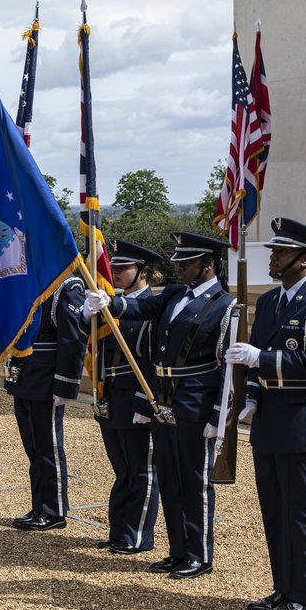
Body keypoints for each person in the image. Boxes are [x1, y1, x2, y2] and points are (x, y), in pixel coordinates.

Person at [85, 231, 236, 579]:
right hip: (164, 398)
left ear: (209, 265)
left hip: (197, 399)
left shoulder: (225, 305)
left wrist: (219, 414)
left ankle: (198, 554)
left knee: (195, 481)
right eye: (178, 260)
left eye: (187, 262)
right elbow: (140, 307)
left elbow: (227, 367)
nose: (179, 266)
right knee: (169, 477)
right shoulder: (173, 294)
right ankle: (177, 550)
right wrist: (110, 303)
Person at [227, 218, 306, 610]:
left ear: (305, 259)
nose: (273, 258)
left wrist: (259, 359)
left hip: (305, 420)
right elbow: (260, 355)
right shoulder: (268, 302)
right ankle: (284, 589)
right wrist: (252, 396)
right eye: (273, 252)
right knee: (274, 510)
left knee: (301, 511)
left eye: (281, 253)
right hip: (271, 420)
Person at [91, 239, 162, 553]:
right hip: (112, 396)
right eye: (114, 267)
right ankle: (119, 530)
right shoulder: (110, 308)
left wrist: (145, 401)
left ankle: (138, 535)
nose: (116, 272)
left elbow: (153, 359)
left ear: (143, 272)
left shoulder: (153, 308)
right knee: (122, 469)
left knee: (142, 470)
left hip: (137, 395)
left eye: (124, 268)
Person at [6, 262, 87, 532]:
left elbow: (72, 339)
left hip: (47, 377)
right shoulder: (34, 285)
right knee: (34, 448)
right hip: (26, 374)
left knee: (48, 447)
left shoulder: (68, 285)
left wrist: (65, 385)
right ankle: (40, 504)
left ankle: (54, 510)